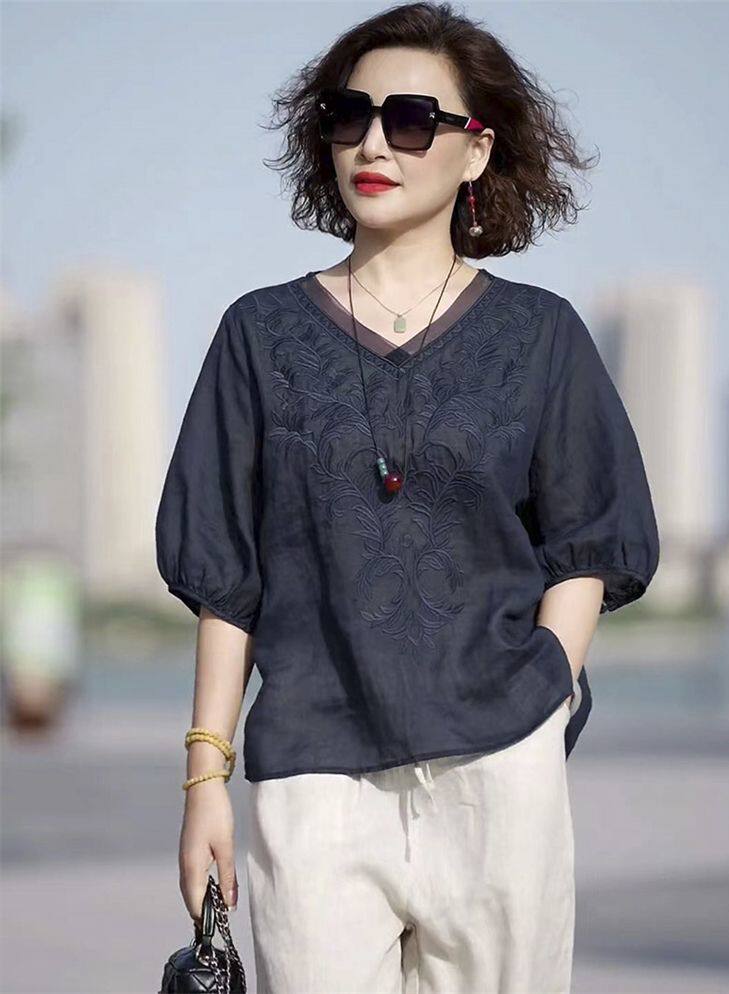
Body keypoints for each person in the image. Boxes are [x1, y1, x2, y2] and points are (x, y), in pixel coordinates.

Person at [155, 3, 660, 992]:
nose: (375, 143)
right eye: (350, 116)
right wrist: (205, 776)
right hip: (312, 780)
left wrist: (545, 689)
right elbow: (227, 576)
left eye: (412, 120)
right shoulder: (259, 336)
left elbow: (588, 541)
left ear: (476, 151)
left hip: (498, 770)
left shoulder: (540, 335)